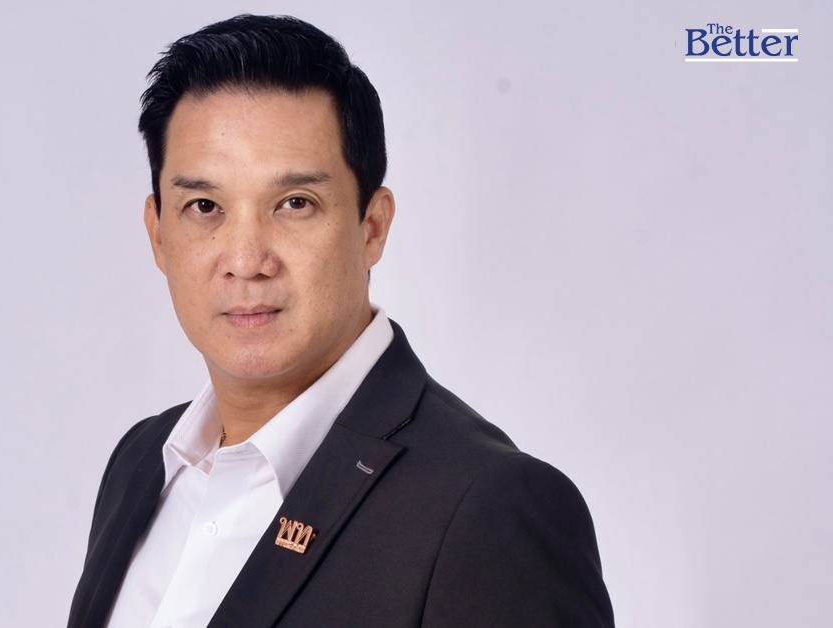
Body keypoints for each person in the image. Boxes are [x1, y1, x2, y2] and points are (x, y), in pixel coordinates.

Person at [69, 14, 614, 628]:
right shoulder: (142, 462)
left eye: (294, 203)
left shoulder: (488, 507)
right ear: (158, 234)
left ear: (372, 226)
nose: (245, 260)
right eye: (204, 206)